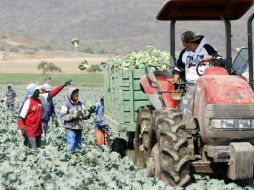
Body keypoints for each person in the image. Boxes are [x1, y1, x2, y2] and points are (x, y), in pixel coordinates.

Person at [170, 31, 224, 122]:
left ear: (192, 42)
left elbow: (219, 61)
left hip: (206, 84)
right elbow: (179, 67)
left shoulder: (207, 48)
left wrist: (211, 58)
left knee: (206, 105)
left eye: (185, 43)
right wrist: (175, 79)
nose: (184, 46)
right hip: (190, 84)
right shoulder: (184, 52)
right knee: (186, 104)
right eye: (184, 43)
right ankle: (186, 123)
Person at [17, 80, 71, 149]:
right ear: (33, 92)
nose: (39, 91)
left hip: (38, 130)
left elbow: (52, 94)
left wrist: (62, 86)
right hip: (30, 130)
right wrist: (22, 128)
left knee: (38, 148)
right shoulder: (27, 102)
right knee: (31, 149)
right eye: (37, 90)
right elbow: (20, 117)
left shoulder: (40, 99)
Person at [60, 87, 91, 153]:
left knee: (78, 146)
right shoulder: (66, 104)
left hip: (79, 128)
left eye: (77, 93)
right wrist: (72, 116)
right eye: (74, 93)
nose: (76, 94)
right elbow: (62, 116)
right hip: (70, 128)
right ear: (70, 94)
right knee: (71, 145)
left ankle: (77, 160)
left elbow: (83, 116)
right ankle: (68, 160)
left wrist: (89, 114)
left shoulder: (80, 104)